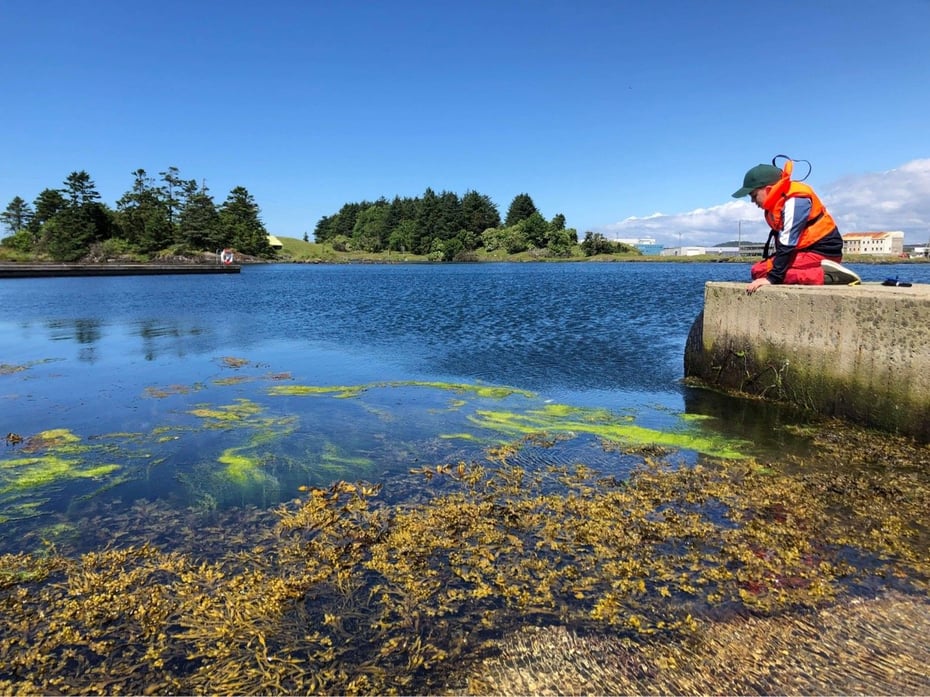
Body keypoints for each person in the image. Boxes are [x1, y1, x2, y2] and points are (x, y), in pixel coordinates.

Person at [732, 160, 860, 294]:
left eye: (754, 195)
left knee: (761, 271)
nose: (752, 201)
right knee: (758, 270)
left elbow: (787, 241)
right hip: (807, 251)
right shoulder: (780, 201)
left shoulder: (795, 202)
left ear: (768, 189)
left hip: (823, 252)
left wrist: (772, 278)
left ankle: (828, 276)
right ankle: (821, 272)